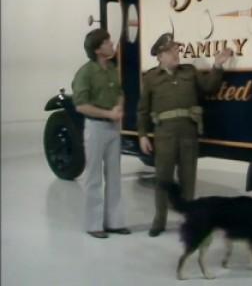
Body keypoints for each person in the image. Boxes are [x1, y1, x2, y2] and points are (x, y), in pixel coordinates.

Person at [137, 32, 232, 237]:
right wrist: (143, 134)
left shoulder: (190, 71)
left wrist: (217, 66)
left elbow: (209, 87)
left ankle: (189, 219)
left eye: (177, 50)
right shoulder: (151, 78)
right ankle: (159, 220)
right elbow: (143, 110)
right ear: (160, 56)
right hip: (164, 135)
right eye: (171, 51)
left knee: (188, 178)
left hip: (188, 133)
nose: (176, 54)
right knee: (163, 178)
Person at [72, 28, 131, 239]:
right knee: (94, 176)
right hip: (96, 127)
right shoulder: (85, 73)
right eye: (107, 41)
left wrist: (119, 108)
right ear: (98, 49)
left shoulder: (112, 69)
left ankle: (115, 222)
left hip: (113, 127)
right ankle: (93, 224)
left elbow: (120, 93)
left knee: (115, 175)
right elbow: (81, 105)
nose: (111, 43)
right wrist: (108, 113)